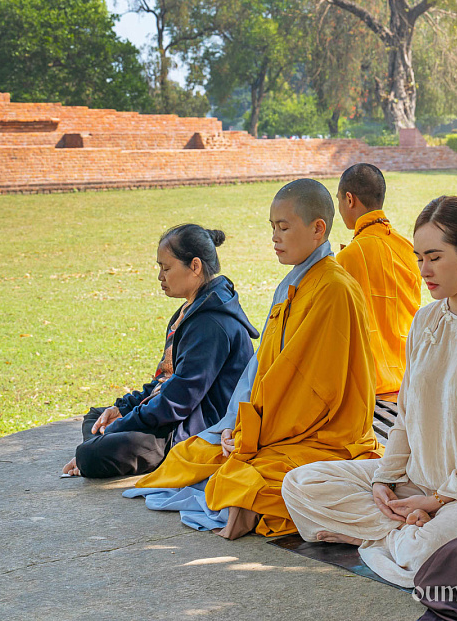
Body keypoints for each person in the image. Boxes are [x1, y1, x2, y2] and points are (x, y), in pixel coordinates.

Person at [282, 195, 457, 588]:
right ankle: (405, 530)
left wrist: (437, 501)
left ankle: (395, 536)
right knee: (299, 484)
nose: (423, 270)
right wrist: (383, 481)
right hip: (417, 479)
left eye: (434, 257)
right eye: (419, 258)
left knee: (424, 554)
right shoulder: (425, 320)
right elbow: (406, 416)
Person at [124, 179, 382, 539]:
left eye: (284, 227)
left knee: (247, 482)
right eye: (272, 227)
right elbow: (260, 367)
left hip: (324, 435)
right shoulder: (290, 284)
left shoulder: (335, 289)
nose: (275, 237)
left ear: (317, 229)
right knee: (190, 455)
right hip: (274, 422)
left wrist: (252, 432)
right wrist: (233, 425)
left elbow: (316, 391)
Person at [61, 223, 258, 478]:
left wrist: (118, 428)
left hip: (192, 431)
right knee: (96, 417)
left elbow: (178, 400)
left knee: (93, 452)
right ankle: (97, 443)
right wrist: (123, 410)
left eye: (166, 268)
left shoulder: (212, 323)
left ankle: (93, 448)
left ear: (195, 266)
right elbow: (165, 379)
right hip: (173, 414)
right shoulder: (192, 310)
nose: (160, 277)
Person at [334, 163, 421, 402]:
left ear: (349, 199)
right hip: (412, 379)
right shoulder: (408, 249)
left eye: (339, 200)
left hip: (369, 387)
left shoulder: (346, 258)